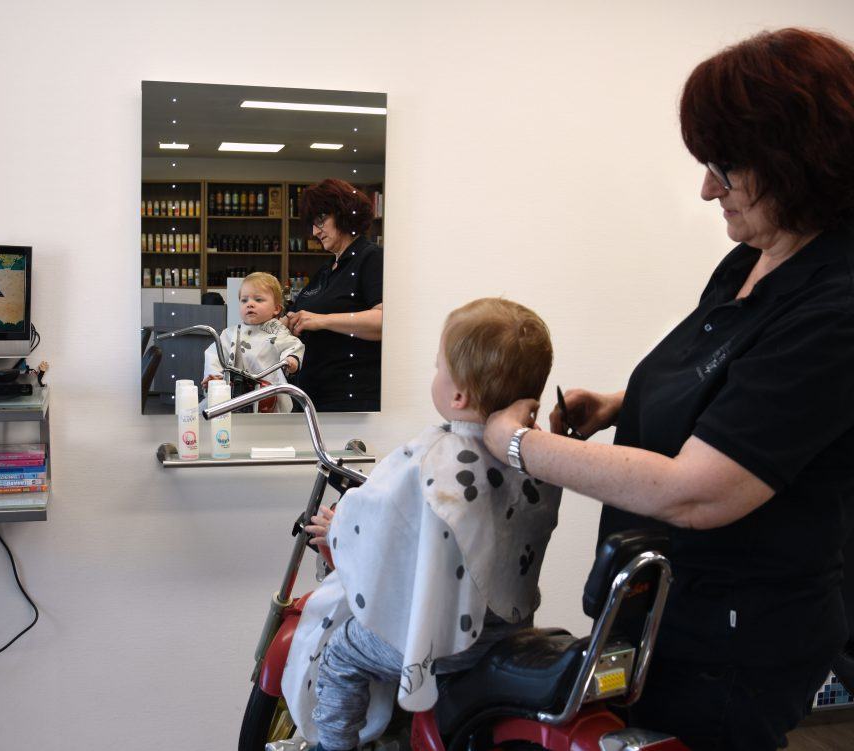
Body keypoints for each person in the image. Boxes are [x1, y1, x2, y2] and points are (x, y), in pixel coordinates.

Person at [482, 28, 854, 751]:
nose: (706, 187)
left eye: (724, 165)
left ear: (797, 159)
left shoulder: (838, 304)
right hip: (659, 610)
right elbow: (740, 383)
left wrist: (518, 444)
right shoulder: (753, 259)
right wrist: (622, 405)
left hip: (735, 646)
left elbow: (699, 491)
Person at [277, 298, 562, 751]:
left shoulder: (435, 457)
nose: (434, 374)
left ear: (458, 396)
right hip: (509, 631)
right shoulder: (538, 454)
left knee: (342, 653)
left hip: (445, 640)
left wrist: (337, 526)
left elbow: (379, 521)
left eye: (437, 367)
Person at [285, 179, 383, 412]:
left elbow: (383, 322)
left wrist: (321, 320)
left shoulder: (371, 259)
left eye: (321, 221)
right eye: (312, 223)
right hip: (312, 395)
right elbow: (305, 314)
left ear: (343, 214)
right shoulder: (327, 269)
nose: (314, 232)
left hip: (348, 399)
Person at [202, 272, 304, 414]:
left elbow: (292, 346)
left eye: (258, 300)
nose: (250, 304)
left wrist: (291, 360)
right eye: (244, 300)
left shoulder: (278, 332)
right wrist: (215, 376)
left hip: (268, 397)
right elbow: (214, 354)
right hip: (233, 395)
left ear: (276, 308)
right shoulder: (230, 334)